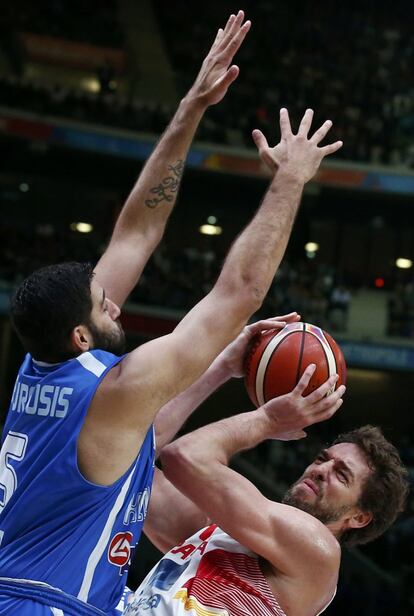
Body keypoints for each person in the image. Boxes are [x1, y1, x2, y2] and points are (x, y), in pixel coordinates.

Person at [0, 11, 343, 616]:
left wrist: (192, 107)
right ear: (81, 333)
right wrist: (291, 180)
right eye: (101, 300)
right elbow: (238, 292)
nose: (114, 298)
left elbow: (136, 232)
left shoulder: (44, 363)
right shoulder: (117, 388)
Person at [126, 376, 409, 616]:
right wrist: (223, 366)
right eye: (323, 458)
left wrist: (269, 420)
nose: (321, 470)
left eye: (341, 474)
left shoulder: (318, 552)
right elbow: (128, 465)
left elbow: (183, 456)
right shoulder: (218, 531)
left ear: (358, 517)